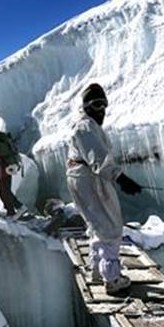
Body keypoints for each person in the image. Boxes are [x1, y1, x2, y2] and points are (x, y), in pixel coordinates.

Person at [66, 83, 142, 294]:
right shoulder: (86, 127)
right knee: (109, 224)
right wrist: (120, 177)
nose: (102, 110)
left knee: (97, 223)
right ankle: (112, 278)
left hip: (81, 177)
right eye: (96, 104)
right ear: (86, 106)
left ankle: (98, 270)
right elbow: (98, 158)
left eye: (104, 105)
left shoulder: (84, 125)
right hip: (90, 178)